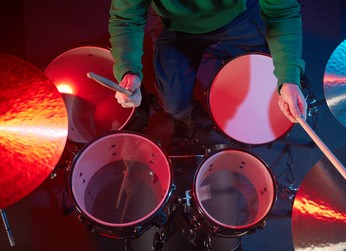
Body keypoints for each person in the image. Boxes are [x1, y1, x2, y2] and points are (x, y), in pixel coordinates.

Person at [109, 0, 307, 145]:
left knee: (280, 65)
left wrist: (289, 75)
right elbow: (126, 19)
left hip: (239, 14)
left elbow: (281, 13)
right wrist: (128, 71)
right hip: (176, 26)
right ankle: (186, 116)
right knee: (174, 106)